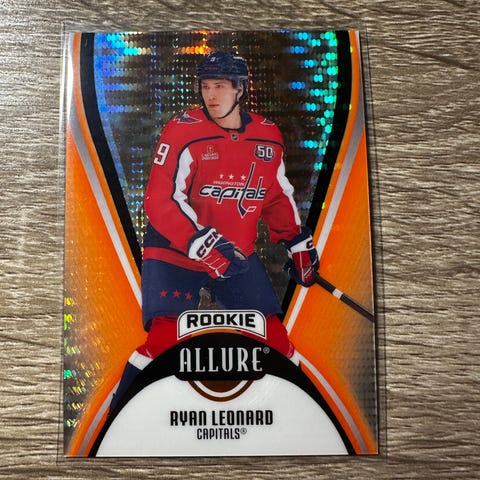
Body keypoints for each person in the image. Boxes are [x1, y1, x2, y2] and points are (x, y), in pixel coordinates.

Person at [110, 51, 319, 411]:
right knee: (164, 340)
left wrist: (296, 241)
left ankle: (310, 409)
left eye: (220, 86)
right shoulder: (183, 129)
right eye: (206, 86)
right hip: (175, 252)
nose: (211, 95)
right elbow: (159, 199)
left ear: (240, 89)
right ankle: (117, 411)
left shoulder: (268, 135)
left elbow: (274, 195)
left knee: (274, 338)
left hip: (235, 255)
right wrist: (198, 242)